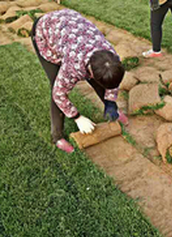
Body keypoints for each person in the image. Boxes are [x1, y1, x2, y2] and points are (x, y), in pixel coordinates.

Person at [31, 9, 128, 154]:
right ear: (90, 72)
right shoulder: (73, 66)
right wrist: (77, 117)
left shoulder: (110, 55)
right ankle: (57, 137)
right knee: (55, 84)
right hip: (46, 33)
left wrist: (110, 102)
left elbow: (111, 80)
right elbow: (59, 94)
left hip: (70, 25)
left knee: (103, 78)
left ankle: (112, 110)